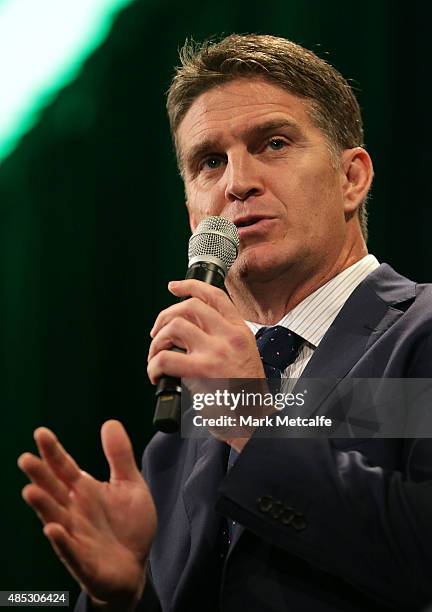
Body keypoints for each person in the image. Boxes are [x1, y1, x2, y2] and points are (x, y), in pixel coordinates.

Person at [18, 34, 432, 611]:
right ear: (193, 213)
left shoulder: (419, 334)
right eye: (210, 162)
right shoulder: (189, 415)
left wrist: (254, 422)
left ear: (351, 177)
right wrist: (127, 594)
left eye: (274, 143)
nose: (237, 182)